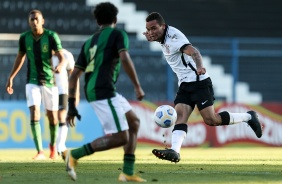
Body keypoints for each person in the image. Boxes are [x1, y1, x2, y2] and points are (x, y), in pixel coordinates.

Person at [143, 12, 263, 163]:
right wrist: (153, 38)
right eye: (148, 29)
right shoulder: (163, 37)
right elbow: (164, 43)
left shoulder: (174, 38)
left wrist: (200, 67)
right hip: (185, 84)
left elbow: (194, 52)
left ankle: (249, 116)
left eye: (154, 28)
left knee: (211, 120)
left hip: (199, 83)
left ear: (163, 26)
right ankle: (175, 151)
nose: (151, 32)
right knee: (181, 116)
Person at [62, 2, 146, 182]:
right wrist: (137, 86)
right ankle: (74, 154)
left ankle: (127, 172)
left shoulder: (89, 42)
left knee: (134, 123)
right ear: (115, 19)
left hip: (100, 90)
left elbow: (74, 75)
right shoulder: (118, 34)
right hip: (103, 90)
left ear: (97, 21)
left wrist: (71, 105)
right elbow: (124, 58)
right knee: (121, 137)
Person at [6, 9, 65, 160]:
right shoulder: (24, 38)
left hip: (49, 81)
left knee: (52, 117)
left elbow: (61, 56)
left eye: (37, 19)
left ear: (42, 21)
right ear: (29, 22)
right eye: (31, 19)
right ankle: (40, 152)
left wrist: (60, 65)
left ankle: (52, 145)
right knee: (34, 112)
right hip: (32, 81)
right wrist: (11, 77)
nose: (34, 22)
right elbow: (20, 57)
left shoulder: (51, 36)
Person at [51, 48, 79, 156]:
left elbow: (74, 76)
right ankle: (54, 145)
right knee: (53, 118)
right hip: (49, 90)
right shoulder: (45, 56)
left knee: (61, 115)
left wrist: (76, 94)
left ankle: (61, 146)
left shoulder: (67, 55)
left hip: (63, 90)